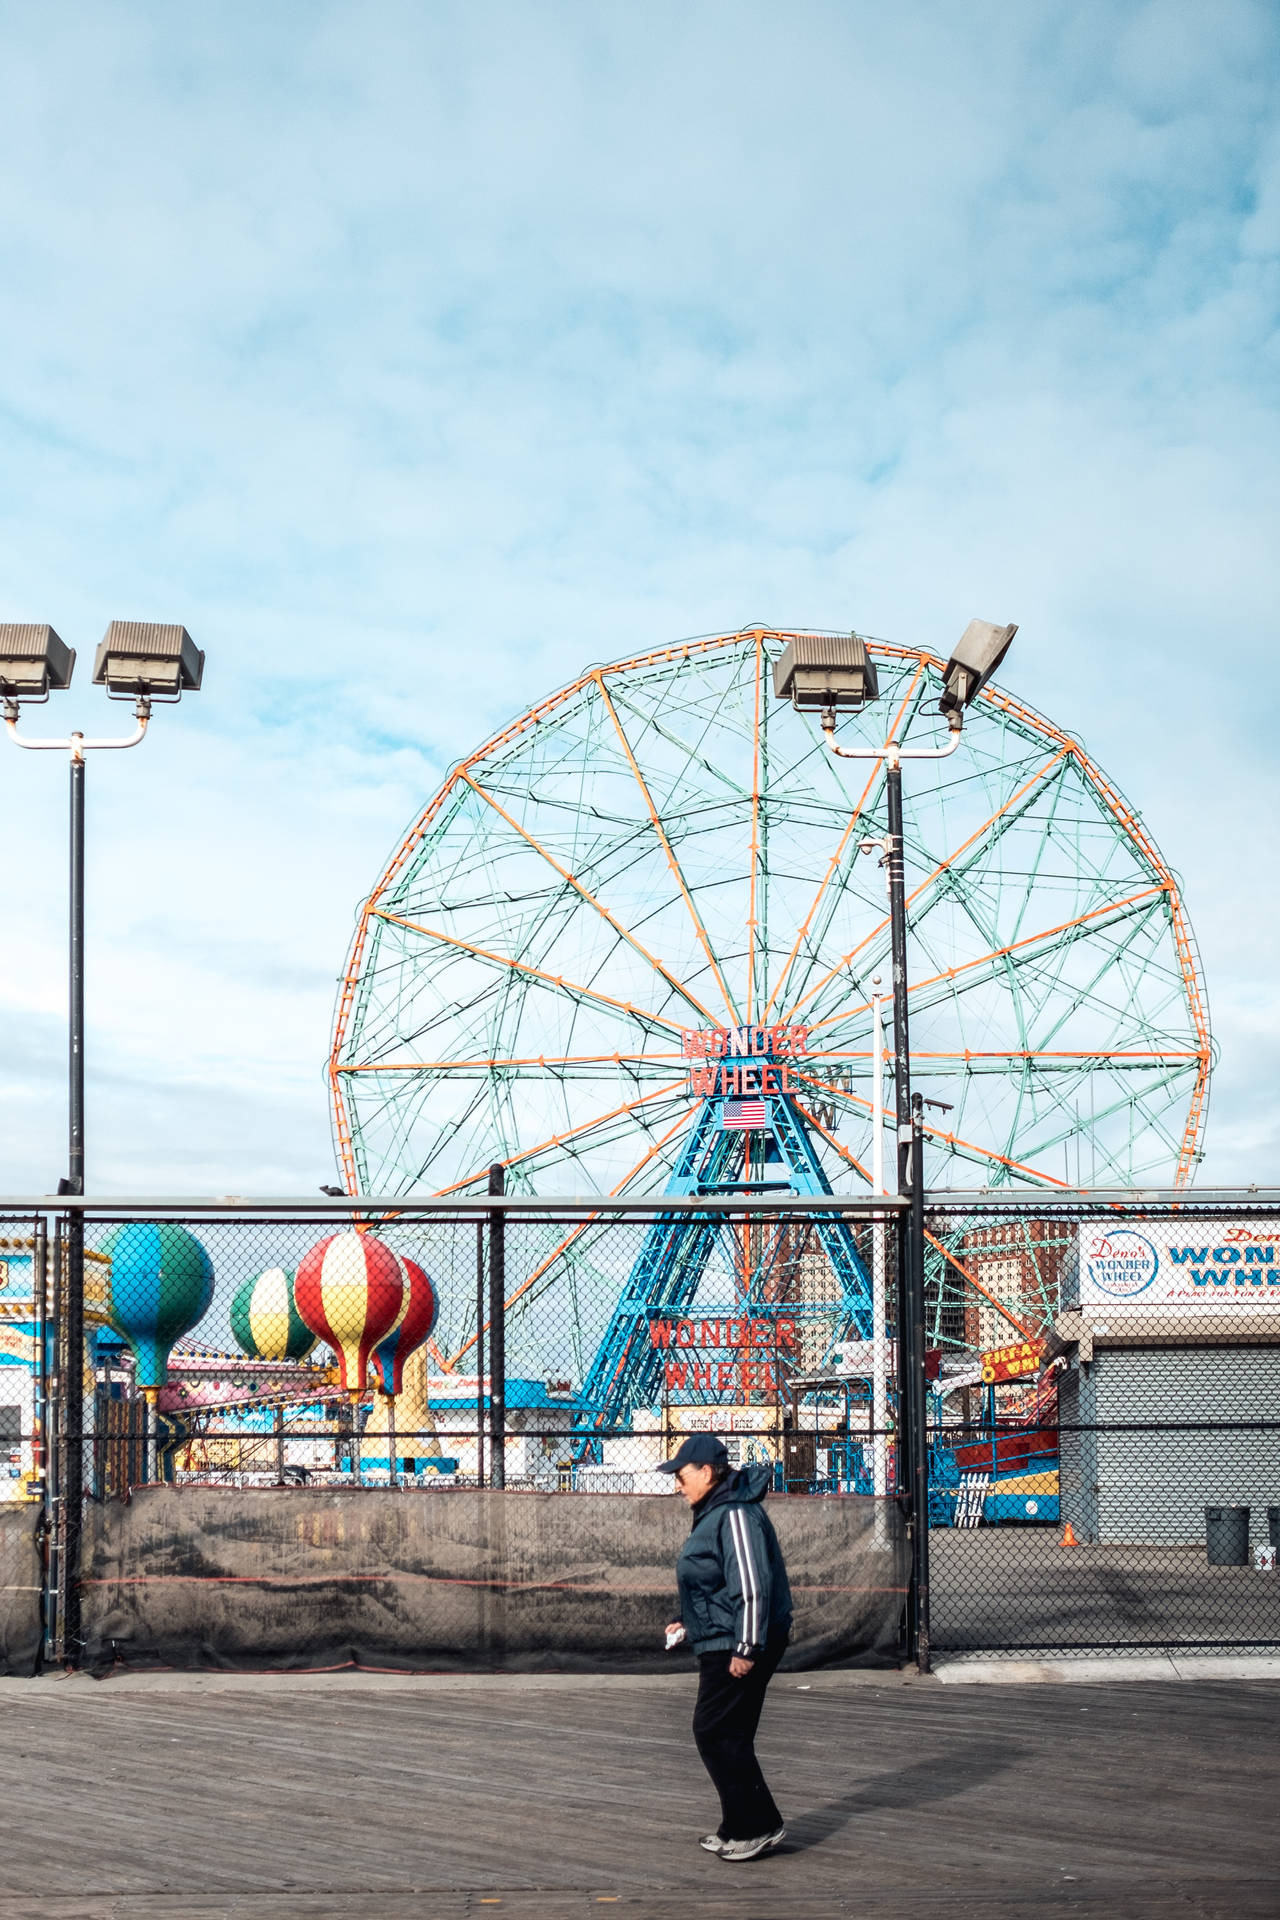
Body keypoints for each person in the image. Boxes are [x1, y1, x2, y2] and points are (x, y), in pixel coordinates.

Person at [660, 1432, 793, 1862]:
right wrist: (687, 1620)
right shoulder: (716, 1509)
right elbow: (712, 1581)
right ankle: (740, 1825)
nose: (677, 1485)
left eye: (681, 1476)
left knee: (714, 1731)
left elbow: (752, 1583)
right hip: (723, 1635)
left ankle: (758, 1825)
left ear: (706, 1472)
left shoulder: (734, 1512)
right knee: (729, 1734)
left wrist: (747, 1647)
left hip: (739, 1640)